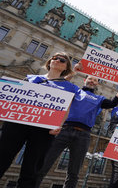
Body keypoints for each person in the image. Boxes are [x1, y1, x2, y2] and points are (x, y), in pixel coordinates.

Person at [36, 64, 118, 188]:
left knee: (74, 172)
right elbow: (62, 84)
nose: (92, 81)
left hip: (83, 135)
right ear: (85, 80)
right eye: (90, 78)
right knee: (44, 164)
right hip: (64, 129)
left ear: (97, 84)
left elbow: (113, 103)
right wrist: (73, 71)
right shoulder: (75, 90)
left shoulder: (99, 98)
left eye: (95, 80)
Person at [0, 52, 79, 188]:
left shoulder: (70, 87)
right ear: (49, 62)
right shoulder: (30, 78)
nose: (57, 60)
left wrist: (59, 125)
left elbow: (67, 108)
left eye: (62, 60)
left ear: (66, 67)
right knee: (2, 156)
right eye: (54, 58)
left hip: (44, 128)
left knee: (32, 167)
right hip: (18, 122)